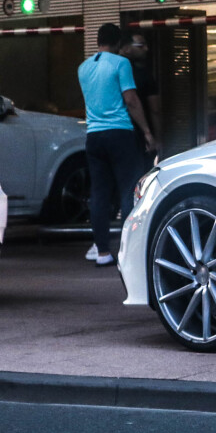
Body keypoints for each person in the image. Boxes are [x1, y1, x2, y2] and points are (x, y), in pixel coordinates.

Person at [78, 23, 155, 267]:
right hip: (120, 134)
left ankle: (102, 252)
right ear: (120, 44)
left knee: (99, 194)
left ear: (98, 41)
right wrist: (147, 131)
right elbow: (131, 100)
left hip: (94, 137)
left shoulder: (83, 68)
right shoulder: (122, 64)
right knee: (128, 191)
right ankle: (127, 251)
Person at [121, 30, 161, 162]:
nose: (146, 49)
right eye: (141, 45)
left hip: (116, 133)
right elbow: (154, 109)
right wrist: (153, 135)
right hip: (139, 135)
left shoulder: (109, 71)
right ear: (126, 48)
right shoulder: (144, 75)